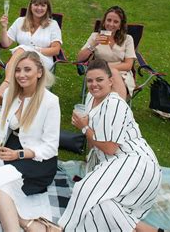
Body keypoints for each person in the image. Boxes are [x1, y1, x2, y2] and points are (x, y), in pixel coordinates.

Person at [0, 51, 61, 231]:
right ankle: (27, 223)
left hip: (38, 161)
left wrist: (19, 154)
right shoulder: (10, 94)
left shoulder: (50, 102)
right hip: (11, 151)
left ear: (39, 72)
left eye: (27, 70)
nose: (21, 75)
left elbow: (51, 147)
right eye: (18, 70)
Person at [58, 59, 162, 232]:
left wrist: (83, 127)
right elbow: (96, 142)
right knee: (98, 206)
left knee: (84, 190)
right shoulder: (91, 98)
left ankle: (61, 228)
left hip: (135, 163)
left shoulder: (114, 103)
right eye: (90, 80)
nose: (94, 84)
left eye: (99, 79)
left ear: (110, 81)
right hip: (115, 165)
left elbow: (109, 148)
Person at [0, 0, 62, 104]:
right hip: (18, 61)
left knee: (22, 48)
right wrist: (4, 28)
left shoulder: (52, 25)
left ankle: (5, 86)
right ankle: (6, 101)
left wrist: (36, 50)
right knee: (22, 51)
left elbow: (56, 49)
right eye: (36, 4)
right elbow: (6, 44)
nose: (39, 8)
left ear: (47, 8)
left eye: (43, 5)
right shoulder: (20, 21)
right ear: (30, 6)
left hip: (42, 61)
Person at [77, 5, 136, 99]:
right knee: (106, 85)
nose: (111, 24)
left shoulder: (128, 39)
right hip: (99, 73)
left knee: (112, 83)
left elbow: (128, 65)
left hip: (120, 72)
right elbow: (79, 58)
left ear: (120, 25)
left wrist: (107, 68)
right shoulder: (95, 36)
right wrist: (93, 45)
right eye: (109, 20)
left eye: (116, 22)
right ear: (104, 22)